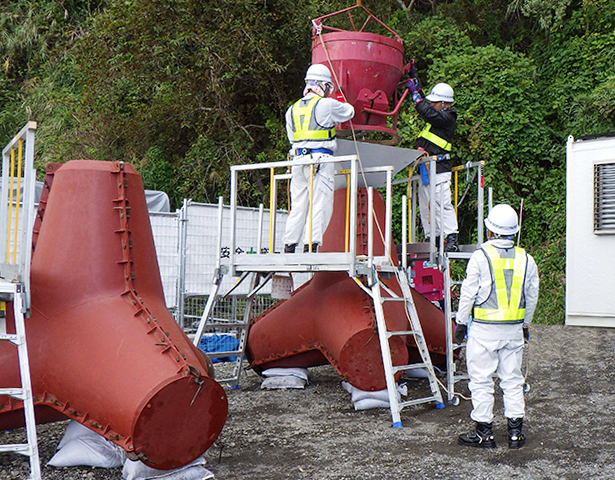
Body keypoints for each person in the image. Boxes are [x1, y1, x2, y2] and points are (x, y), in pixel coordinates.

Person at [453, 204, 539, 449]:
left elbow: (468, 293)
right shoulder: (527, 259)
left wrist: (460, 323)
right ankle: (515, 434)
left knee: (481, 380)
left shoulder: (480, 257)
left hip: (483, 329)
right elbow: (531, 296)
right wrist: (525, 324)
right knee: (512, 380)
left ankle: (484, 434)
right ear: (514, 231)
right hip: (513, 330)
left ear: (489, 230)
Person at [283, 64, 354, 253]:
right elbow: (349, 112)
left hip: (298, 161)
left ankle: (289, 244)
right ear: (322, 85)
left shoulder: (291, 110)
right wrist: (340, 99)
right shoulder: (327, 104)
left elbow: (292, 138)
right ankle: (311, 244)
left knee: (298, 204)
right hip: (320, 160)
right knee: (320, 203)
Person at [406, 71, 459, 252]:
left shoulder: (448, 117)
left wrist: (415, 95)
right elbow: (428, 111)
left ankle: (451, 238)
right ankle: (433, 239)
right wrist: (416, 86)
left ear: (444, 104)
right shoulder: (437, 119)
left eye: (435, 102)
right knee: (426, 207)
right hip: (427, 169)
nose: (431, 104)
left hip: (440, 169)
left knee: (442, 203)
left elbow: (427, 112)